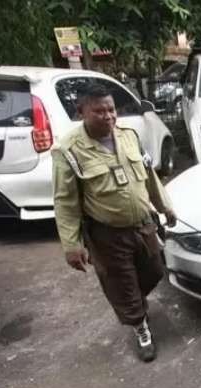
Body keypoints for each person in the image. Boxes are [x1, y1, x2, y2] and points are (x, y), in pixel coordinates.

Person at [52, 83, 176, 363]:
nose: (108, 116)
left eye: (111, 109)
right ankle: (140, 326)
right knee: (123, 282)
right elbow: (65, 201)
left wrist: (164, 206)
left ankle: (133, 306)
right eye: (99, 111)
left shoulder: (129, 136)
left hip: (143, 224)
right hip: (107, 233)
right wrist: (71, 245)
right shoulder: (68, 150)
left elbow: (149, 176)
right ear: (81, 111)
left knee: (155, 270)